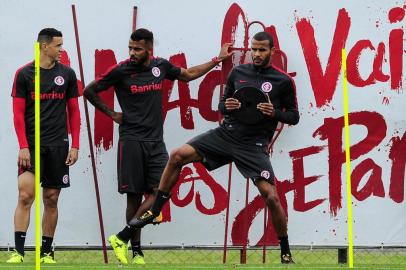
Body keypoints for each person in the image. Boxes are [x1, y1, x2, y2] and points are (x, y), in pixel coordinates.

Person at [130, 31, 299, 264]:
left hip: (253, 144)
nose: (257, 54)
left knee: (271, 197)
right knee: (178, 155)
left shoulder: (283, 81)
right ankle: (156, 207)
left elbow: (294, 116)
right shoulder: (238, 72)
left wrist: (276, 113)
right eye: (254, 49)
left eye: (262, 50)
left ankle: (285, 250)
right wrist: (226, 106)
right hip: (226, 135)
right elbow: (222, 104)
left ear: (271, 51)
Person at [83, 28, 232, 265]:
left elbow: (189, 73)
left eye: (138, 49)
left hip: (156, 142)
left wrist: (217, 59)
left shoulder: (160, 67)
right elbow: (89, 90)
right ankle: (136, 252)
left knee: (160, 192)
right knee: (133, 197)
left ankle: (122, 237)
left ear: (149, 49)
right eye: (130, 48)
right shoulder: (121, 69)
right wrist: (112, 114)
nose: (132, 53)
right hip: (131, 141)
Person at [7, 28, 81, 264]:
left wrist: (75, 145)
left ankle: (47, 252)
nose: (61, 49)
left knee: (51, 198)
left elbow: (74, 112)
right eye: (58, 45)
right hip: (31, 146)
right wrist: (23, 146)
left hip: (58, 145)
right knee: (26, 195)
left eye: (62, 45)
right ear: (44, 46)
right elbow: (17, 114)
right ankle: (18, 252)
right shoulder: (24, 74)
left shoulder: (67, 74)